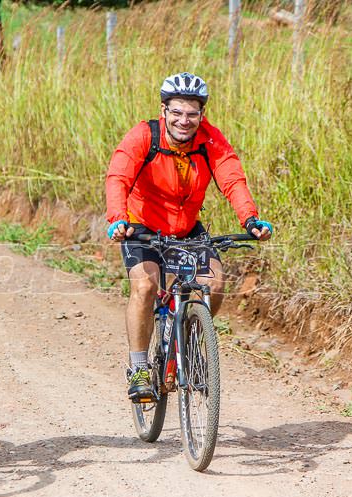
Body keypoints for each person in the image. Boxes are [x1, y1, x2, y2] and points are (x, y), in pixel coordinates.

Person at [105, 72, 273, 402]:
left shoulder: (209, 140)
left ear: (202, 115)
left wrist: (249, 218)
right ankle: (139, 368)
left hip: (185, 228)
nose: (184, 121)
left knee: (215, 282)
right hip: (141, 226)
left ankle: (192, 340)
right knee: (145, 286)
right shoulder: (144, 136)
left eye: (192, 114)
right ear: (164, 110)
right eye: (177, 112)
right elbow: (118, 178)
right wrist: (118, 219)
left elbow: (232, 178)